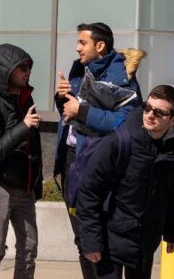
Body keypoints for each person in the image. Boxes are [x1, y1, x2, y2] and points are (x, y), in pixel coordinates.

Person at [53, 22, 144, 276]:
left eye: (83, 43)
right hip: (72, 161)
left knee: (97, 239)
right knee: (83, 238)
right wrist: (62, 98)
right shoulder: (80, 70)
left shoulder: (121, 77)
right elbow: (70, 112)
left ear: (100, 45)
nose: (77, 48)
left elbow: (125, 123)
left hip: (98, 165)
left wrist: (81, 111)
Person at [75, 84, 174, 279]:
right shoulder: (120, 141)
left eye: (159, 112)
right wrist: (91, 240)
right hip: (110, 240)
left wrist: (172, 231)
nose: (150, 115)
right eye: (147, 107)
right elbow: (88, 191)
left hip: (145, 242)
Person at [0, 43, 43, 279]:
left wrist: (36, 183)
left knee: (28, 250)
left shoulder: (24, 99)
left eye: (28, 66)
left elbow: (35, 147)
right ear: (4, 71)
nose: (27, 71)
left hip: (24, 190)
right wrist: (23, 128)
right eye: (21, 67)